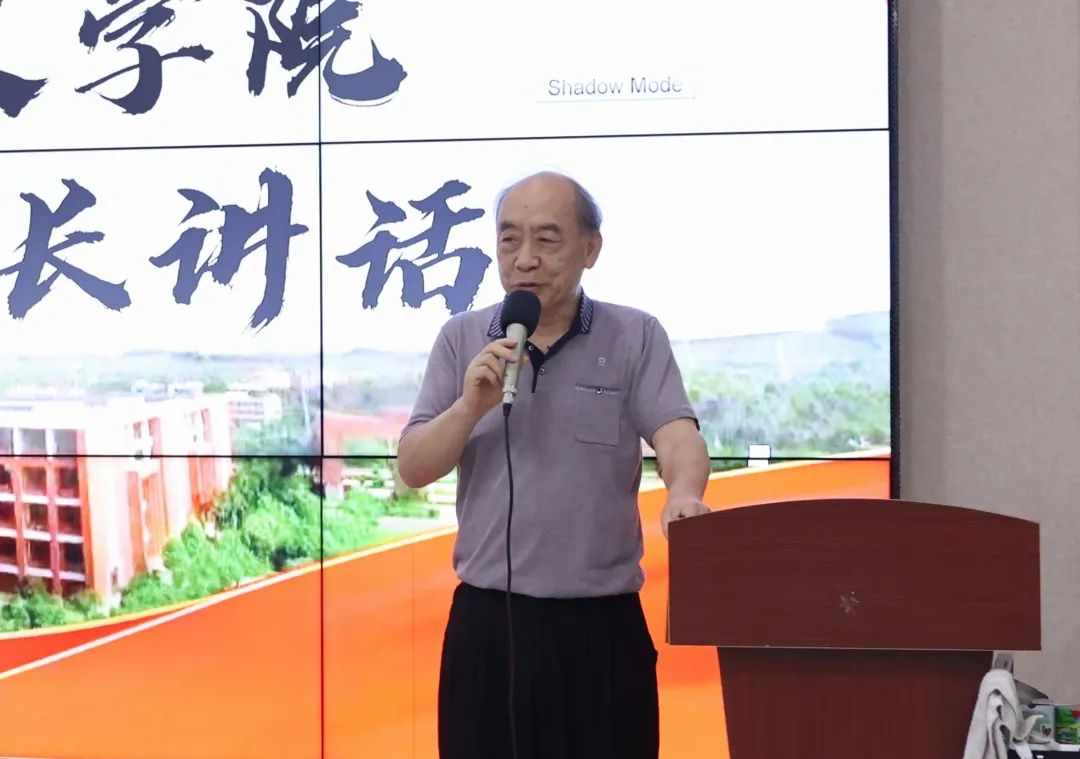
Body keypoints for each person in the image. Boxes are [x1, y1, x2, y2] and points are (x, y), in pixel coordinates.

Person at [397, 171, 711, 759]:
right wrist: (468, 408)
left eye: (546, 239)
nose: (525, 259)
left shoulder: (634, 335)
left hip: (601, 630)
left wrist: (684, 493)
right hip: (489, 626)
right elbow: (413, 467)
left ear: (591, 248)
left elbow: (676, 434)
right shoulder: (462, 338)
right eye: (509, 240)